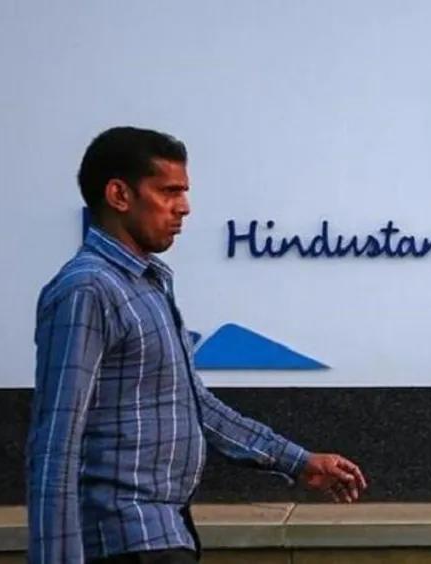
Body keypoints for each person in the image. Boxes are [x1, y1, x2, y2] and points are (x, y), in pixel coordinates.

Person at [26, 126, 367, 564]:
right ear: (119, 195)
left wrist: (298, 461)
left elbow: (194, 405)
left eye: (183, 192)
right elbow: (56, 441)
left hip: (164, 530)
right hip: (125, 537)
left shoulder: (148, 285)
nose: (184, 207)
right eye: (169, 191)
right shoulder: (88, 290)